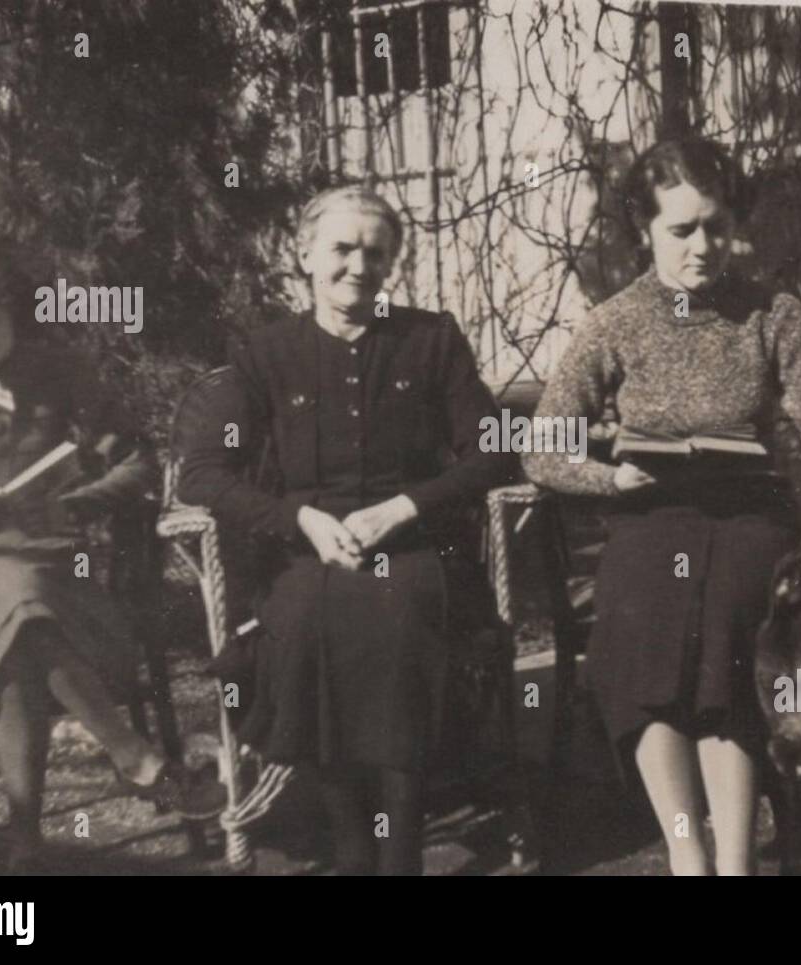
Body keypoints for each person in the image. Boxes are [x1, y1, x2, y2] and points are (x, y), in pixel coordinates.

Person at [522, 139, 801, 875]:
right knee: (642, 627)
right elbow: (542, 448)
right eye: (681, 230)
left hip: (749, 513)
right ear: (646, 230)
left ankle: (735, 859)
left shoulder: (771, 314)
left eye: (716, 227)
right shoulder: (614, 323)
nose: (702, 247)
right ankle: (688, 853)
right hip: (649, 512)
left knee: (732, 611)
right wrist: (609, 480)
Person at [178, 185, 516, 875]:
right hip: (306, 554)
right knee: (304, 625)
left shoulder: (430, 341)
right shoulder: (266, 354)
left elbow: (493, 452)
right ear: (305, 255)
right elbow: (205, 472)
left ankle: (400, 855)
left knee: (400, 619)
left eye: (375, 252)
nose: (358, 265)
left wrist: (405, 508)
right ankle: (352, 846)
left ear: (391, 264)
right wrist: (299, 518)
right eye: (341, 248)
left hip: (415, 547)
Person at [0, 237, 226, 873]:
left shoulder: (58, 371)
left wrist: (79, 503)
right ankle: (136, 758)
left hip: (55, 568)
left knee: (26, 623)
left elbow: (137, 459)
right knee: (20, 605)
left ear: (14, 313)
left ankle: (25, 845)